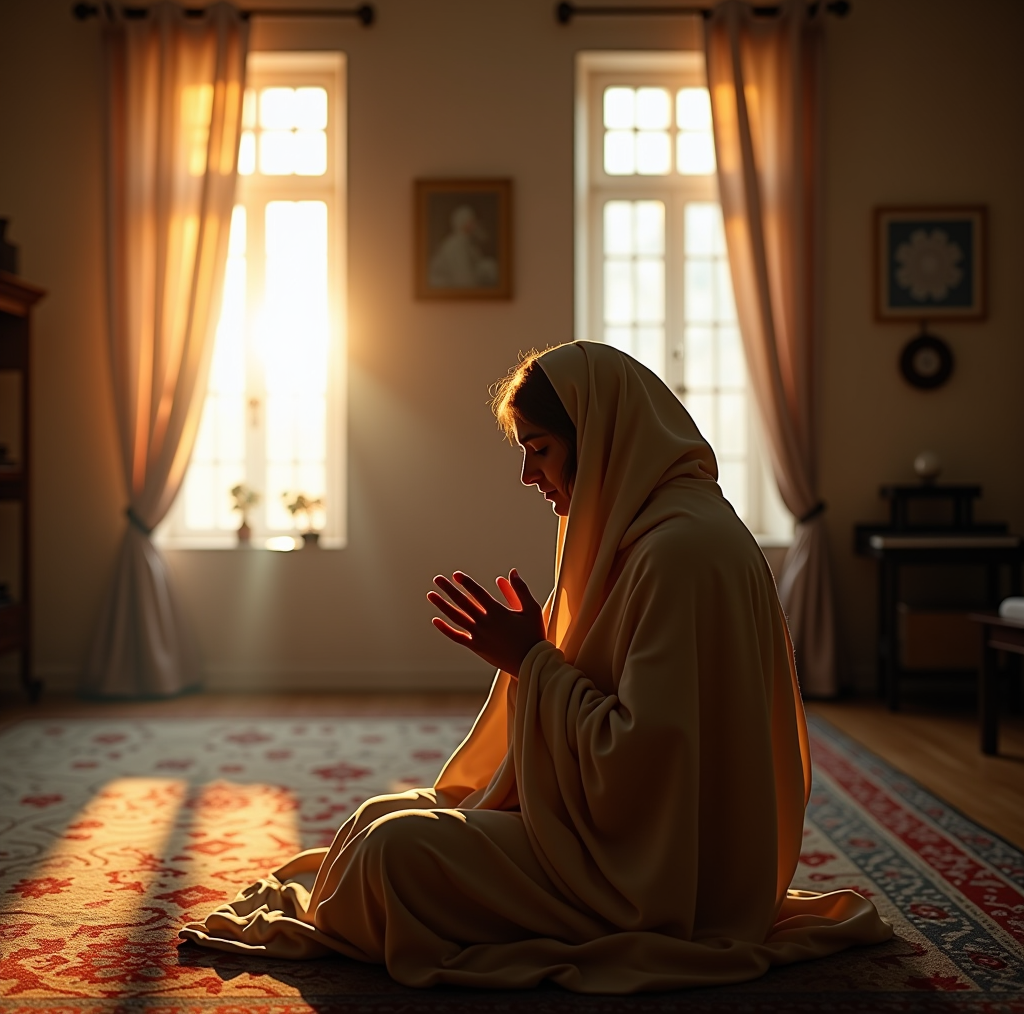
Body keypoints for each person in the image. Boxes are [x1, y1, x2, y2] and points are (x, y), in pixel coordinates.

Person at [180, 341, 891, 992]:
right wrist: (529, 662)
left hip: (655, 875)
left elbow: (643, 762)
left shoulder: (678, 554)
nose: (529, 475)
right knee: (376, 819)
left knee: (391, 856)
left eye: (541, 450)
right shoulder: (643, 532)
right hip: (618, 837)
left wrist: (528, 659)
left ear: (601, 441)